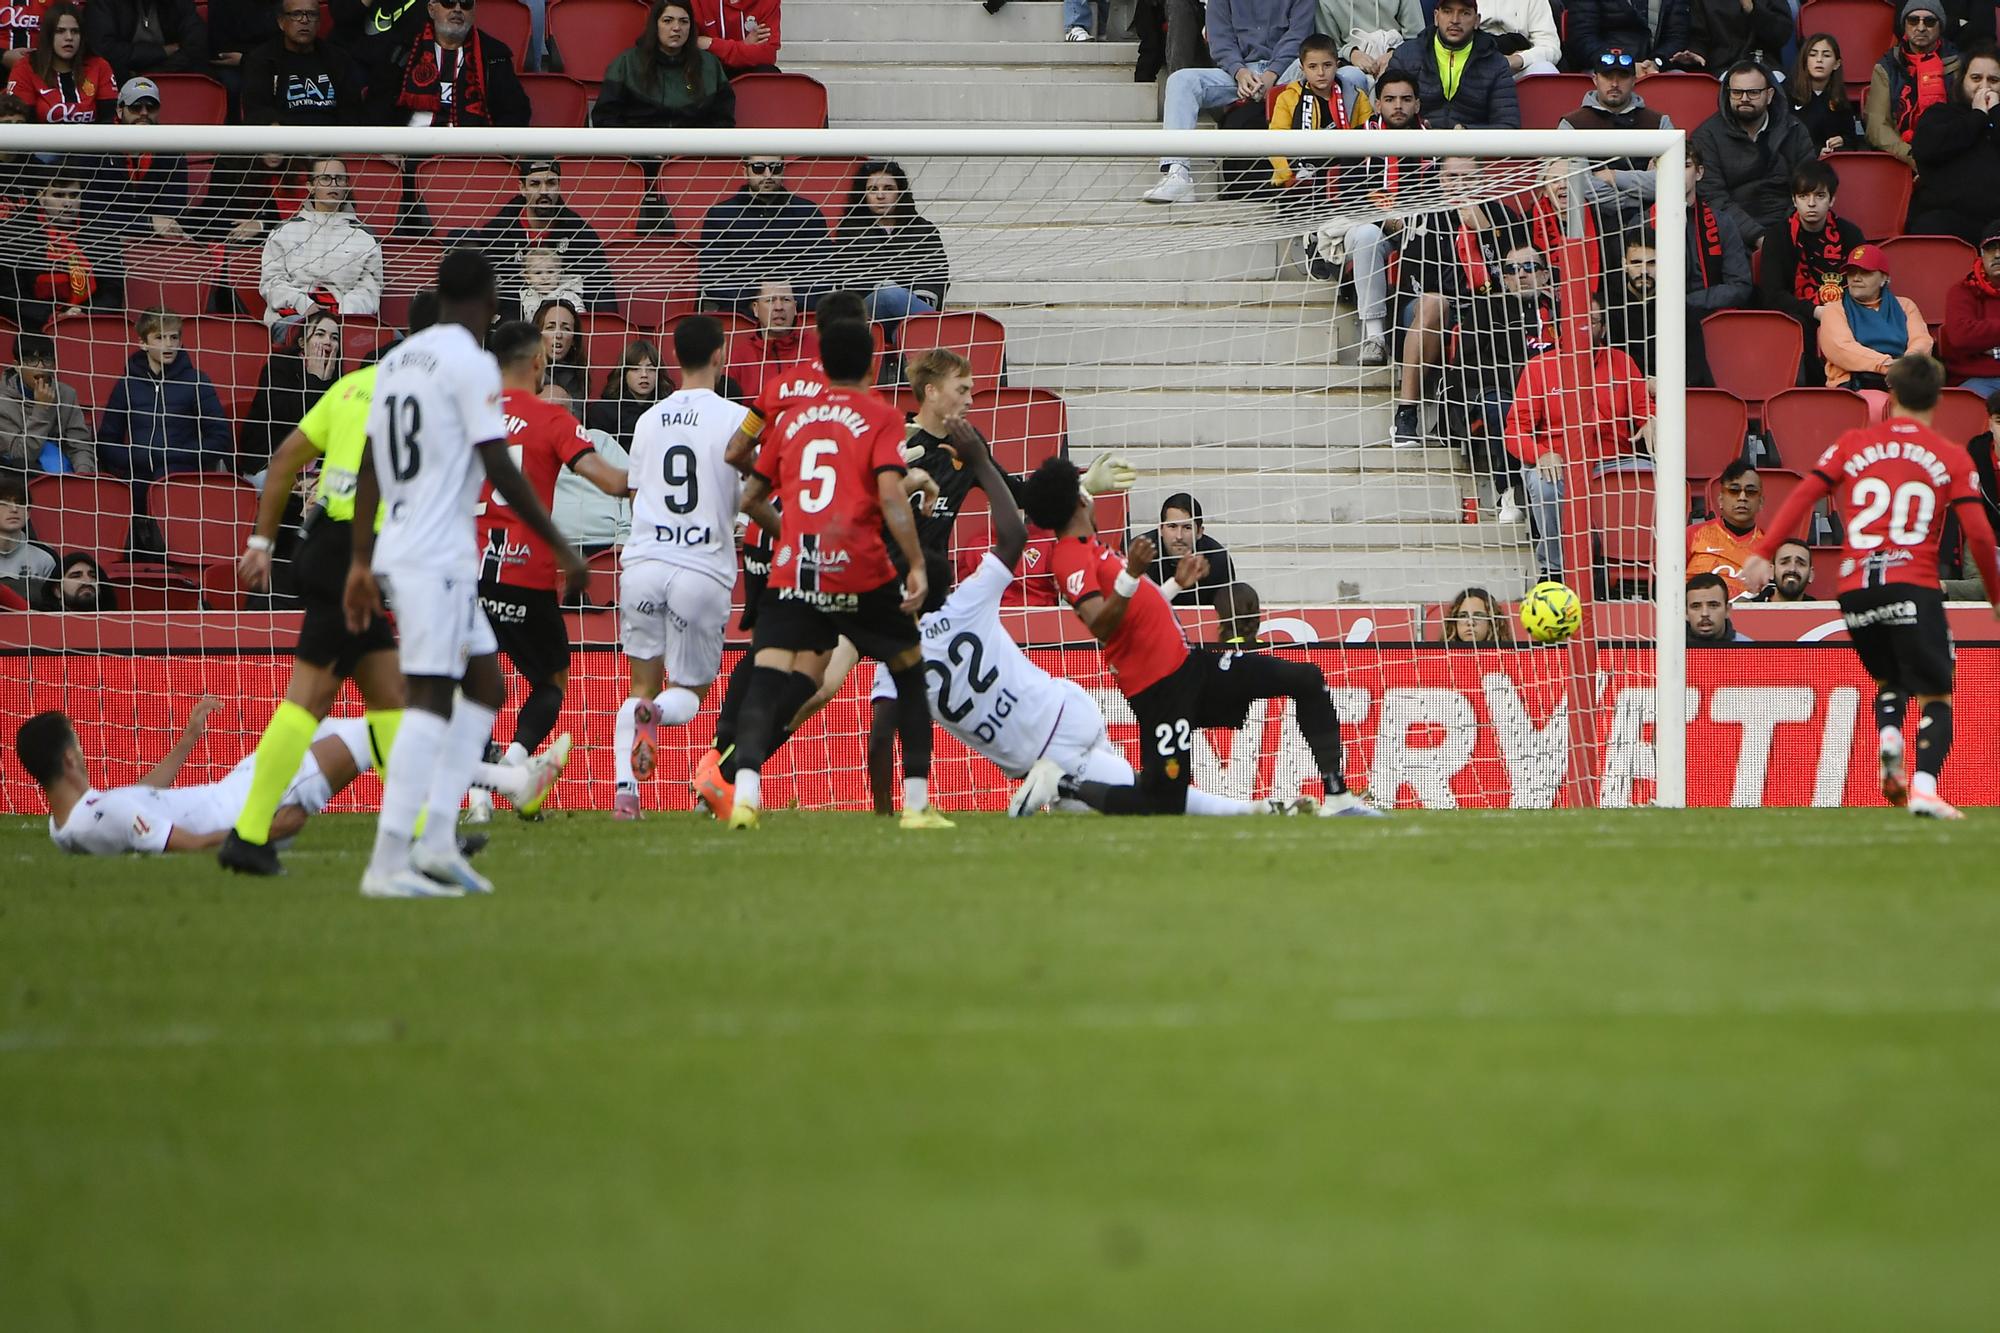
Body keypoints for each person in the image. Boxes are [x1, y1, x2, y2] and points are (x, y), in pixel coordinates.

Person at [223, 292, 552, 875]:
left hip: (330, 547)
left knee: (389, 702)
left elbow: (282, 460)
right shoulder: (430, 394)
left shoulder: (353, 385)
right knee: (308, 701)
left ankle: (428, 831)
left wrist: (261, 544)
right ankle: (248, 833)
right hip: (358, 553)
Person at [342, 249, 585, 897]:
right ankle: (392, 859)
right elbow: (499, 465)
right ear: (485, 298)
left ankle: (440, 841)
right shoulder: (469, 363)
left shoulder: (397, 359)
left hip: (410, 550)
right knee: (432, 701)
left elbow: (368, 461)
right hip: (435, 557)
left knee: (486, 685)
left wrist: (363, 558)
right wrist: (561, 544)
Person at [1018, 454, 1377, 817]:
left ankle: (1338, 797)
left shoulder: (1089, 546)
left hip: (1190, 667)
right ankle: (1061, 784)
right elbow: (1101, 625)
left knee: (1305, 677)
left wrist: (1176, 583)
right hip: (1160, 689)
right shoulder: (1068, 557)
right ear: (1080, 502)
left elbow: (1136, 606)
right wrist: (1133, 573)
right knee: (1163, 802)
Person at [1742, 353, 2000, 819]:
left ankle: (1888, 736)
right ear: (1938, 398)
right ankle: (1923, 786)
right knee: (1936, 694)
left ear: (1892, 396)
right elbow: (1980, 533)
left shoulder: (1853, 444)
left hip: (1855, 586)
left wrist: (1763, 551)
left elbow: (1803, 493)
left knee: (1890, 679)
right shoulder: (1950, 455)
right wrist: (1996, 598)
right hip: (1915, 582)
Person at [723, 318, 947, 830]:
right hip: (859, 570)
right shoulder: (881, 416)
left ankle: (745, 797)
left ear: (821, 359)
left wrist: (790, 535)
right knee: (909, 673)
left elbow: (750, 498)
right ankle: (915, 806)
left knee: (767, 676)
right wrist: (914, 563)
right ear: (872, 364)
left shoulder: (795, 420)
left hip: (796, 571)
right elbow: (891, 495)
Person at [691, 288, 875, 815]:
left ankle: (720, 756)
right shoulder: (852, 397)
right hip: (814, 538)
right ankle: (729, 769)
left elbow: (734, 453)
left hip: (764, 530)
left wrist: (778, 483)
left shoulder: (781, 385)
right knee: (811, 676)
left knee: (767, 651)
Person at [469, 319, 624, 815]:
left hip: (469, 573)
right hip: (525, 574)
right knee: (551, 680)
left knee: (477, 686)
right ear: (538, 362)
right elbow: (611, 482)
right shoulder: (552, 418)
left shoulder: (468, 415)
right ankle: (514, 768)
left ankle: (476, 797)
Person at [609, 315, 747, 819]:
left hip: (644, 563)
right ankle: (660, 714)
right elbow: (748, 493)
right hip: (701, 567)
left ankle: (626, 791)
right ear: (719, 355)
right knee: (686, 691)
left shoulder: (648, 420)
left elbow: (634, 493)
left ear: (674, 359)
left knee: (638, 685)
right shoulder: (735, 418)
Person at [19, 701, 378, 856]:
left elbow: (144, 794)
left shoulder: (62, 825)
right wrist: (265, 832)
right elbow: (191, 845)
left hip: (233, 787)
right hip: (249, 808)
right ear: (70, 758)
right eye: (78, 745)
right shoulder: (101, 816)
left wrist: (189, 738)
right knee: (376, 733)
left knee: (332, 727)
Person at [1503, 297, 1655, 581]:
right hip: (1562, 464)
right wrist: (1540, 453)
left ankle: (1648, 567)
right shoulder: (1538, 367)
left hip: (1616, 462)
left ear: (1604, 328)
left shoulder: (1622, 362)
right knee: (1544, 482)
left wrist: (1651, 421)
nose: (1583, 329)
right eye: (1576, 323)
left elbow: (1644, 408)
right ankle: (1556, 572)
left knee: (1661, 479)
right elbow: (1515, 429)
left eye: (1592, 322)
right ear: (1560, 329)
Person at [1140, 0, 1316, 204]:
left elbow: (1299, 37)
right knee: (1181, 80)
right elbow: (1220, 38)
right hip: (1240, 72)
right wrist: (1238, 71)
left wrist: (1272, 74)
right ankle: (1177, 174)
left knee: (1321, 71)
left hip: (1288, 70)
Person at [1390, 155, 1505, 446]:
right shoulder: (1425, 215)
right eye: (1453, 177)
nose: (1460, 184)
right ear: (1441, 181)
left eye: (1468, 178)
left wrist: (1484, 232)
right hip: (1427, 313)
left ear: (1480, 181)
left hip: (1485, 310)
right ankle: (1406, 413)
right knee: (1434, 302)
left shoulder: (1499, 214)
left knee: (1492, 312)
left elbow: (1512, 276)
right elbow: (1413, 281)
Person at [1446, 240, 1556, 519]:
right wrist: (1516, 377)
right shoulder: (1487, 308)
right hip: (1506, 392)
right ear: (1505, 278)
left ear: (1544, 274)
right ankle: (1511, 491)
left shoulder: (1561, 309)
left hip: (1555, 393)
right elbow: (1464, 364)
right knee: (1502, 407)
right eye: (1512, 270)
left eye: (1529, 267)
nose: (1520, 274)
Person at [98, 308, 234, 495]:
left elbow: (219, 439)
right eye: (160, 338)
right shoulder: (127, 384)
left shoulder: (197, 381)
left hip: (182, 476)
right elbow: (107, 441)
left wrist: (174, 456)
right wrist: (135, 457)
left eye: (174, 337)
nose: (169, 345)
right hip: (138, 475)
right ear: (143, 343)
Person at [1340, 70, 1425, 365]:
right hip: (1366, 228)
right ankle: (1375, 337)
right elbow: (1348, 197)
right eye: (1389, 99)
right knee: (1367, 235)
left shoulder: (1435, 141)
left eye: (1405, 99)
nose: (1397, 106)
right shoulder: (1356, 140)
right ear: (1378, 105)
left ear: (1417, 104)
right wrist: (1385, 218)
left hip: (1419, 230)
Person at [1758, 159, 1864, 385]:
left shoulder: (1851, 234)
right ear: (1794, 200)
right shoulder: (1778, 236)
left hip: (1845, 312)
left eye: (1819, 196)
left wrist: (1836, 312)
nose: (1812, 204)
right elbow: (1773, 295)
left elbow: (1865, 283)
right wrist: (1816, 311)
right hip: (1798, 314)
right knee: (1797, 323)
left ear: (1832, 199)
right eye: (1804, 197)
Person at [469, 158, 616, 319]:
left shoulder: (581, 235)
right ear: (522, 188)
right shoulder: (496, 234)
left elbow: (602, 297)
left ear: (559, 186)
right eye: (535, 184)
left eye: (551, 183)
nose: (544, 191)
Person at [1692, 61, 1818, 246]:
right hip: (1730, 232)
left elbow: (1808, 185)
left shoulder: (1795, 130)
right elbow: (1713, 197)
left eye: (1753, 92)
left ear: (1769, 95)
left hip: (1789, 227)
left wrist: (1786, 232)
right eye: (1737, 92)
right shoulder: (1706, 136)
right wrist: (1758, 237)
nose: (1744, 98)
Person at [1560, 48, 1675, 233]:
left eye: (1622, 76)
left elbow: (1672, 181)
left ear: (1634, 80)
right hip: (1592, 225)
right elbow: (1580, 185)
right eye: (1607, 76)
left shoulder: (1659, 122)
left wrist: (1615, 177)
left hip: (1653, 224)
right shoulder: (1572, 123)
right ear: (1595, 79)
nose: (1614, 83)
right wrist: (1638, 198)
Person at [1665, 143, 1753, 385]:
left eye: (1684, 166)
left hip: (1712, 319)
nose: (1675, 173)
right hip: (1659, 326)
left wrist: (1688, 303)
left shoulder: (1722, 223)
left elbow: (1740, 286)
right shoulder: (1641, 224)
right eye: (1666, 166)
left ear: (1699, 173)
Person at [699, 155, 833, 313]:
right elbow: (712, 275)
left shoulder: (808, 212)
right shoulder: (720, 214)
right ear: (745, 171)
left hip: (799, 310)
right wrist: (753, 303)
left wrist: (790, 303)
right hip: (741, 312)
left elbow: (822, 269)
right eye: (758, 168)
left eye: (775, 168)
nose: (768, 175)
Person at [259, 157, 382, 326]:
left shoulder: (365, 237)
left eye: (339, 179)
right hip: (292, 319)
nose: (333, 185)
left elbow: (369, 289)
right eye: (325, 178)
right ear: (310, 186)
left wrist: (341, 312)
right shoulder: (283, 231)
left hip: (345, 321)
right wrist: (303, 305)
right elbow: (271, 282)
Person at [2, 159, 122, 332]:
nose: (68, 203)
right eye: (58, 195)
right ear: (41, 198)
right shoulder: (15, 233)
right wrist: (52, 316)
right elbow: (9, 295)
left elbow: (113, 291)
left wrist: (81, 314)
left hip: (89, 323)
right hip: (31, 326)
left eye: (74, 196)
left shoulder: (102, 232)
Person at [366, 0, 529, 127]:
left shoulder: (494, 55)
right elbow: (377, 105)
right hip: (412, 152)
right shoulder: (403, 52)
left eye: (465, 4)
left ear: (473, 13)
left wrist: (495, 151)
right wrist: (388, 149)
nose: (457, 9)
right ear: (431, 9)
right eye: (448, 2)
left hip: (474, 155)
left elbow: (515, 111)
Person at [834, 159, 949, 327]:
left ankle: (922, 331)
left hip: (911, 315)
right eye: (873, 189)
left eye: (888, 189)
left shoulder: (923, 230)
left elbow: (935, 276)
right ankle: (938, 332)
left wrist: (906, 299)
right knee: (889, 293)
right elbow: (850, 281)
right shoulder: (850, 230)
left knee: (905, 331)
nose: (880, 196)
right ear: (863, 195)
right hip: (867, 316)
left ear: (900, 193)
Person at [592, 0, 734, 129]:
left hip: (693, 154)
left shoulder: (710, 65)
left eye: (684, 21)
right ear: (655, 25)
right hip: (638, 155)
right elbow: (605, 118)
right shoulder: (626, 63)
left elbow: (723, 121)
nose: (676, 27)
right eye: (667, 21)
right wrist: (640, 149)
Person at [1908, 45, 2000, 245]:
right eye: (1976, 78)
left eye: (1993, 80)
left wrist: (1995, 113)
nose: (1985, 86)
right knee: (1928, 226)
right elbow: (1924, 149)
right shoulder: (1940, 114)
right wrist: (1977, 116)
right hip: (1949, 221)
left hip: (1996, 224)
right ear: (1962, 80)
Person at [1818, 244, 1933, 401]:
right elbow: (1842, 348)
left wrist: (1906, 365)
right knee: (1878, 404)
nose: (1856, 278)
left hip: (1904, 380)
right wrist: (1887, 366)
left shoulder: (1905, 305)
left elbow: (1922, 341)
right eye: (1851, 272)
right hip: (1855, 386)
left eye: (1865, 272)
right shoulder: (1835, 309)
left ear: (1884, 278)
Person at [1383, 0, 1522, 130]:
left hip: (1472, 151)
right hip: (1415, 149)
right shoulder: (1406, 55)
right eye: (1447, 12)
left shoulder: (1496, 63)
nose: (1455, 20)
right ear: (1436, 17)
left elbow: (1508, 125)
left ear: (1477, 21)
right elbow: (1387, 112)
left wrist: (1465, 134)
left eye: (1464, 13)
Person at [239, 309, 340, 484]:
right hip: (269, 463)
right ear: (302, 342)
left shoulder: (340, 379)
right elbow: (292, 420)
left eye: (334, 338)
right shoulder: (278, 366)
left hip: (317, 469)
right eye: (320, 334)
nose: (327, 342)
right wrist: (314, 380)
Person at [85, 78, 189, 241]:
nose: (144, 113)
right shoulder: (96, 144)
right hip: (103, 237)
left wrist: (152, 226)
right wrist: (145, 223)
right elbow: (92, 209)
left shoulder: (172, 147)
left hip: (157, 239)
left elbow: (173, 205)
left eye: (151, 107)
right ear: (120, 110)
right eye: (135, 107)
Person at [1866, 0, 1961, 168]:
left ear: (1941, 27)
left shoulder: (1959, 65)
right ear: (1905, 26)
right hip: (1901, 157)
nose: (1921, 27)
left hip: (1951, 157)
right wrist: (1910, 155)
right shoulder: (1886, 66)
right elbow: (1877, 126)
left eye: (1930, 21)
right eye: (1913, 20)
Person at [241, 0, 361, 126]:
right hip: (284, 139)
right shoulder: (262, 60)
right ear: (281, 22)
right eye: (296, 14)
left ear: (319, 23)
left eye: (312, 14)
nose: (304, 20)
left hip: (332, 139)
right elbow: (258, 110)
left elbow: (351, 110)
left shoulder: (338, 59)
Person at [3, 3, 116, 123]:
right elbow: (21, 122)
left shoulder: (99, 66)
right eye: (60, 31)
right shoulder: (25, 68)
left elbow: (109, 119)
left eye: (75, 31)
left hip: (92, 141)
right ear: (48, 35)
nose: (69, 37)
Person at [0, 332, 93, 475]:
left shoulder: (67, 394)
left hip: (64, 474)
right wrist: (41, 409)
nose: (41, 367)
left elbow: (80, 445)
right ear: (17, 366)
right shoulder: (3, 401)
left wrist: (83, 475)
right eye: (32, 360)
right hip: (18, 477)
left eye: (47, 360)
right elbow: (20, 456)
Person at [1316, 0, 1423, 117]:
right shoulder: (1325, 2)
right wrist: (1352, 53)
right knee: (1349, 77)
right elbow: (1327, 47)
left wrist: (1394, 54)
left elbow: (1417, 37)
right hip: (1349, 61)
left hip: (1396, 53)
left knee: (1396, 79)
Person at [725, 279, 817, 405]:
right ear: (755, 309)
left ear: (795, 308)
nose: (779, 307)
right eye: (770, 300)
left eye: (786, 300)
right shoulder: (739, 357)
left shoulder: (817, 349)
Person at [1147, 492, 1244, 607]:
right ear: (1160, 529)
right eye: (1172, 527)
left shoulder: (1218, 559)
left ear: (1199, 532)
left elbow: (1226, 612)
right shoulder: (1141, 555)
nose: (1179, 536)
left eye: (1187, 527)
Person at [1687, 459, 1765, 597]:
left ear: (1760, 502)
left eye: (1751, 492)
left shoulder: (1769, 546)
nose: (1742, 497)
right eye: (1734, 490)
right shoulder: (1692, 535)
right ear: (1721, 500)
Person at [1943, 219, 2000, 397]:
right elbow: (1961, 336)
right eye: (1991, 248)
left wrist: (1987, 345)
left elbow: (1970, 336)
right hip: (1977, 380)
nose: (1997, 254)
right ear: (1981, 254)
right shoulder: (1963, 290)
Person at [83, 0, 206, 81]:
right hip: (120, 76)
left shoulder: (178, 3)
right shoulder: (103, 3)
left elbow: (195, 45)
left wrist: (151, 73)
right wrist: (161, 51)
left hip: (172, 72)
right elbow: (104, 49)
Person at [1561, 0, 1696, 73]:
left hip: (1654, 69)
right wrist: (1623, 64)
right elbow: (1582, 39)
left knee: (1679, 79)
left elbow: (1677, 37)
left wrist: (1656, 63)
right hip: (1603, 67)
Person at [1789, 33, 1864, 155]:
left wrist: (1842, 141)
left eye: (1826, 55)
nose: (1819, 60)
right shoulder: (1789, 95)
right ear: (1804, 61)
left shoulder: (1840, 100)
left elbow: (1852, 139)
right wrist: (1817, 152)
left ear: (1836, 64)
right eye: (1813, 55)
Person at [585, 337, 661, 448]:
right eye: (635, 369)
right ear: (624, 373)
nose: (644, 374)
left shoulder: (668, 409)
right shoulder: (602, 411)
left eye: (651, 369)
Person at [1688, 0, 1790, 75]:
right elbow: (1699, 37)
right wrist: (1696, 53)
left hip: (1765, 64)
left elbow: (1781, 35)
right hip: (1723, 67)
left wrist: (1752, 9)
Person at [0, 472, 55, 600]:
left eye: (20, 503)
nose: (14, 509)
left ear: (28, 513)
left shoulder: (46, 557)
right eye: (4, 503)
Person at [688, 0, 778, 75]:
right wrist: (745, 45)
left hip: (748, 69)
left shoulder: (767, 2)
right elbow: (689, 43)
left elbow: (767, 55)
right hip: (710, 69)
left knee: (768, 73)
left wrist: (712, 44)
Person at [1478, 0, 1561, 79]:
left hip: (1518, 66)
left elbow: (1550, 47)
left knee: (1545, 70)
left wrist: (1520, 59)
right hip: (1475, 62)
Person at [532, 295, 588, 402]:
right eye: (550, 327)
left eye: (566, 328)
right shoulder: (521, 371)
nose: (558, 334)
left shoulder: (578, 376)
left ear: (573, 340)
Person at [1685, 571, 1750, 642]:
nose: (1705, 613)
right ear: (1686, 613)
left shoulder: (1749, 650)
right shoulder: (1672, 649)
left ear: (1727, 610)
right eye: (1696, 606)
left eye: (1713, 605)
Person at [1439, 585, 1515, 644]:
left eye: (1478, 616)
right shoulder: (1439, 659)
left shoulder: (1509, 659)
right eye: (1463, 616)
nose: (1470, 622)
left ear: (1492, 622)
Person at [39, 547, 109, 609]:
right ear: (57, 590)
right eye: (76, 576)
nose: (87, 581)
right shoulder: (41, 621)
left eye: (93, 576)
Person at [1754, 536, 1815, 601]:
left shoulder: (1820, 610)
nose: (1792, 569)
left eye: (1801, 564)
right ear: (1771, 571)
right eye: (1784, 562)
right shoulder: (1749, 609)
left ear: (1811, 575)